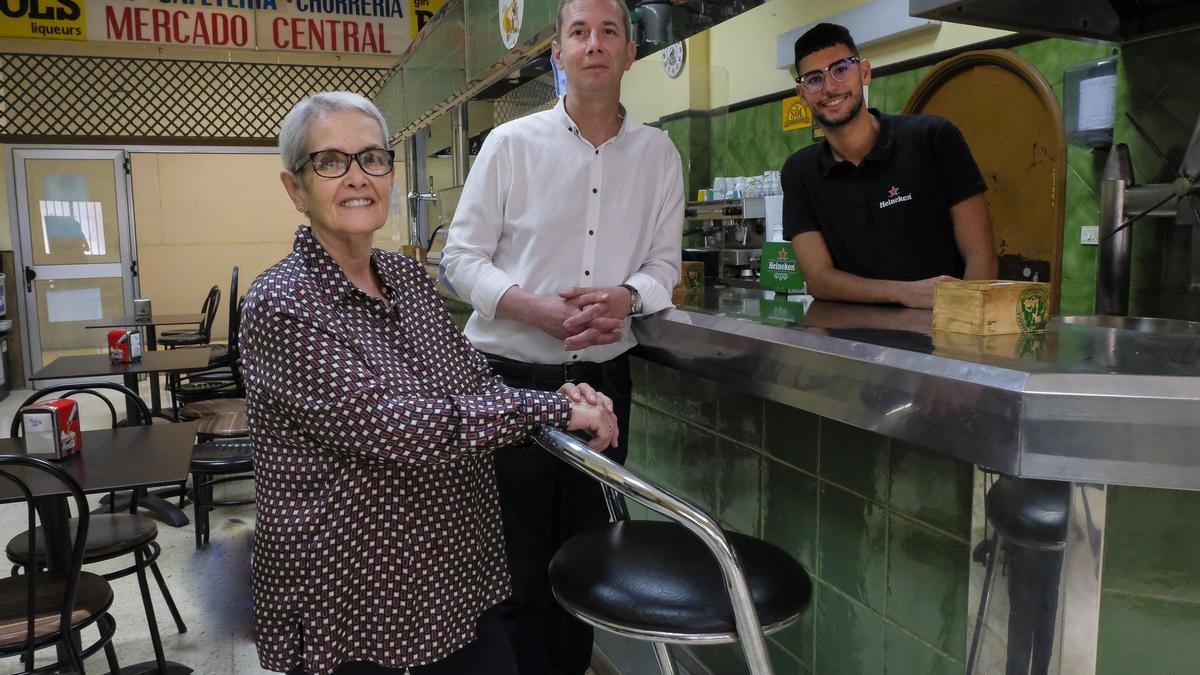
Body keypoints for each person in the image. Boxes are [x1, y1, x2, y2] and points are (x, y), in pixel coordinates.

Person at [241, 91, 620, 675]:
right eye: (330, 162)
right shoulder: (283, 304)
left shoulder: (402, 276)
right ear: (296, 188)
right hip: (355, 598)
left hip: (452, 580)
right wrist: (548, 412)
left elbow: (470, 379)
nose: (357, 178)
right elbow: (397, 427)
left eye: (372, 158)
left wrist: (561, 397)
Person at [440, 0, 684, 670]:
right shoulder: (511, 146)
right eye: (579, 32)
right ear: (558, 53)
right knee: (511, 566)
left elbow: (666, 265)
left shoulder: (659, 154)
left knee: (589, 562)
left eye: (610, 31)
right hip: (508, 379)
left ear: (630, 52)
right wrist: (531, 308)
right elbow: (459, 259)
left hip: (601, 387)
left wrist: (628, 297)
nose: (595, 44)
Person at [782, 22, 998, 309]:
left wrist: (966, 331)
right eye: (813, 79)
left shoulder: (933, 138)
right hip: (851, 344)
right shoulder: (799, 172)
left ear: (864, 72)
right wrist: (904, 292)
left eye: (840, 69)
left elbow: (980, 257)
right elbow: (819, 279)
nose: (829, 87)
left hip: (938, 337)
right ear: (802, 95)